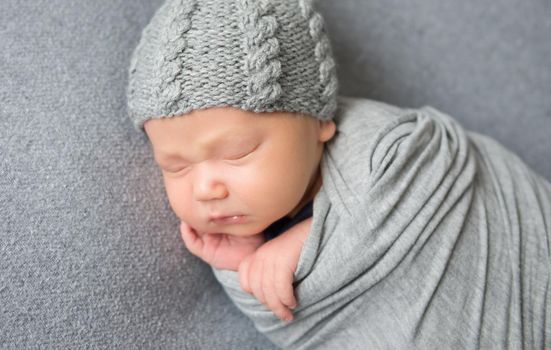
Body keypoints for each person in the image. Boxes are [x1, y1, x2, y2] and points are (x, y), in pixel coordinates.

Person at [127, 0, 550, 348]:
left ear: (319, 122)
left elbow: (430, 167)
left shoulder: (384, 146)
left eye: (238, 153)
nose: (206, 188)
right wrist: (245, 266)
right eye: (175, 166)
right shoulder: (249, 218)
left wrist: (307, 239)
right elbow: (309, 324)